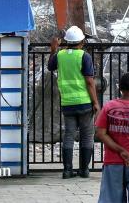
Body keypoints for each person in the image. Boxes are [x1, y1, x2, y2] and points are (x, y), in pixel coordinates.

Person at [47, 25, 100, 179]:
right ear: (81, 41)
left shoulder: (60, 55)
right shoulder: (84, 56)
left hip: (67, 103)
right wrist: (95, 102)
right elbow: (90, 82)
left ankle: (67, 170)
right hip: (84, 103)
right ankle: (84, 170)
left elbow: (50, 67)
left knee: (69, 136)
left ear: (66, 41)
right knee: (86, 136)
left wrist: (53, 50)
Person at [96, 73, 129, 203]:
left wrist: (120, 150)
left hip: (113, 161)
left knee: (111, 198)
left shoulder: (108, 107)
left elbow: (101, 133)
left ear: (120, 88)